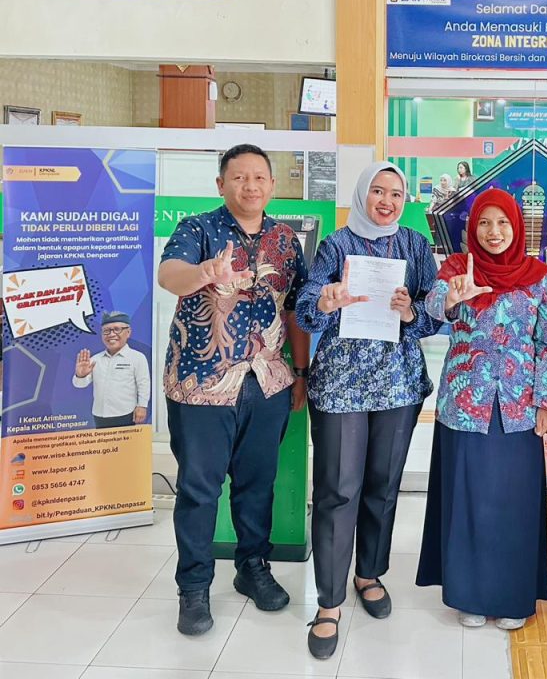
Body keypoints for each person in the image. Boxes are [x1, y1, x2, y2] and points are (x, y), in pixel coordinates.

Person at [158, 143, 310, 637]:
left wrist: (301, 371)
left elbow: (295, 310)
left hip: (266, 382)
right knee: (199, 490)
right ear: (221, 184)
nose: (250, 186)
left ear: (272, 185)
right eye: (239, 177)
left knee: (257, 484)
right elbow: (169, 275)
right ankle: (194, 588)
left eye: (259, 177)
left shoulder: (286, 240)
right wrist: (205, 272)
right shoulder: (197, 229)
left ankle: (252, 568)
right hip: (201, 383)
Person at [295, 162, 441, 659]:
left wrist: (411, 311)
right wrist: (327, 301)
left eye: (395, 193)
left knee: (383, 485)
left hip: (398, 384)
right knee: (337, 490)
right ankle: (329, 602)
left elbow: (435, 312)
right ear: (362, 194)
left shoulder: (415, 245)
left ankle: (369, 574)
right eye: (378, 191)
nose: (386, 201)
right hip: (342, 385)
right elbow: (305, 305)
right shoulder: (336, 245)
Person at [416, 188, 547, 631]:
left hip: (519, 407)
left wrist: (545, 402)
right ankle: (470, 595)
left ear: (516, 226)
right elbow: (431, 309)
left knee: (514, 501)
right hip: (465, 404)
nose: (493, 232)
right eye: (484, 223)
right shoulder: (457, 268)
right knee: (468, 498)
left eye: (502, 223)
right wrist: (451, 298)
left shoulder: (538, 276)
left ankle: (513, 596)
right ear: (472, 227)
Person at [72, 311, 150, 428]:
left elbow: (143, 384)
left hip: (126, 414)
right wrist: (80, 375)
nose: (111, 334)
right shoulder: (95, 359)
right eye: (106, 331)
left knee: (125, 441)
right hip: (99, 415)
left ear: (128, 332)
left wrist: (142, 406)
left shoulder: (137, 357)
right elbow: (80, 385)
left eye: (117, 329)